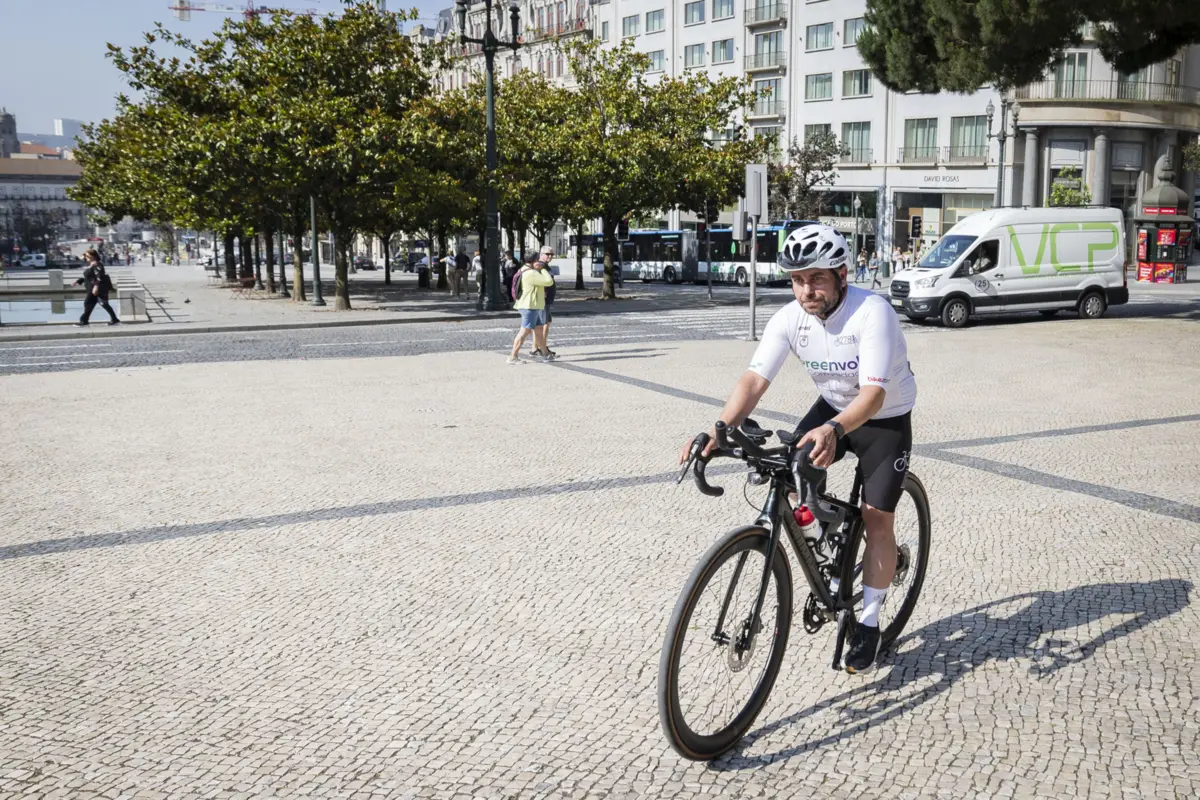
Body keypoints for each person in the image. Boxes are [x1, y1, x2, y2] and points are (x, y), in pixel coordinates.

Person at [679, 223, 916, 674]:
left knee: (876, 516)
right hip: (833, 405)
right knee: (789, 471)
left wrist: (833, 430)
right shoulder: (790, 318)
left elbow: (873, 396)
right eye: (798, 279)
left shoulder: (873, 312)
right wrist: (718, 430)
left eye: (817, 278)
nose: (807, 289)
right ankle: (824, 536)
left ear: (842, 274)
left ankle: (868, 621)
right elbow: (753, 380)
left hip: (882, 417)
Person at [508, 252, 555, 364]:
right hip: (529, 306)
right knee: (524, 331)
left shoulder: (524, 269)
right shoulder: (531, 273)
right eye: (538, 259)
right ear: (534, 260)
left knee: (538, 330)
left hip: (533, 305)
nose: (540, 262)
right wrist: (543, 269)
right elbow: (549, 281)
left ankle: (545, 354)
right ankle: (512, 357)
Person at [74, 249, 120, 326]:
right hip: (92, 288)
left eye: (87, 256)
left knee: (90, 303)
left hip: (95, 289)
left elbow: (99, 277)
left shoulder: (97, 265)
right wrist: (79, 281)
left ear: (92, 256)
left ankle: (84, 321)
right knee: (93, 304)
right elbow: (89, 277)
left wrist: (96, 286)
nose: (85, 257)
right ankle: (114, 319)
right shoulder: (92, 264)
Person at [530, 245, 558, 360]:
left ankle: (536, 348)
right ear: (541, 254)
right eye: (547, 254)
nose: (550, 256)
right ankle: (541, 349)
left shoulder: (544, 266)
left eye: (552, 254)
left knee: (545, 323)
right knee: (543, 324)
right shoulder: (540, 266)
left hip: (546, 300)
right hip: (543, 300)